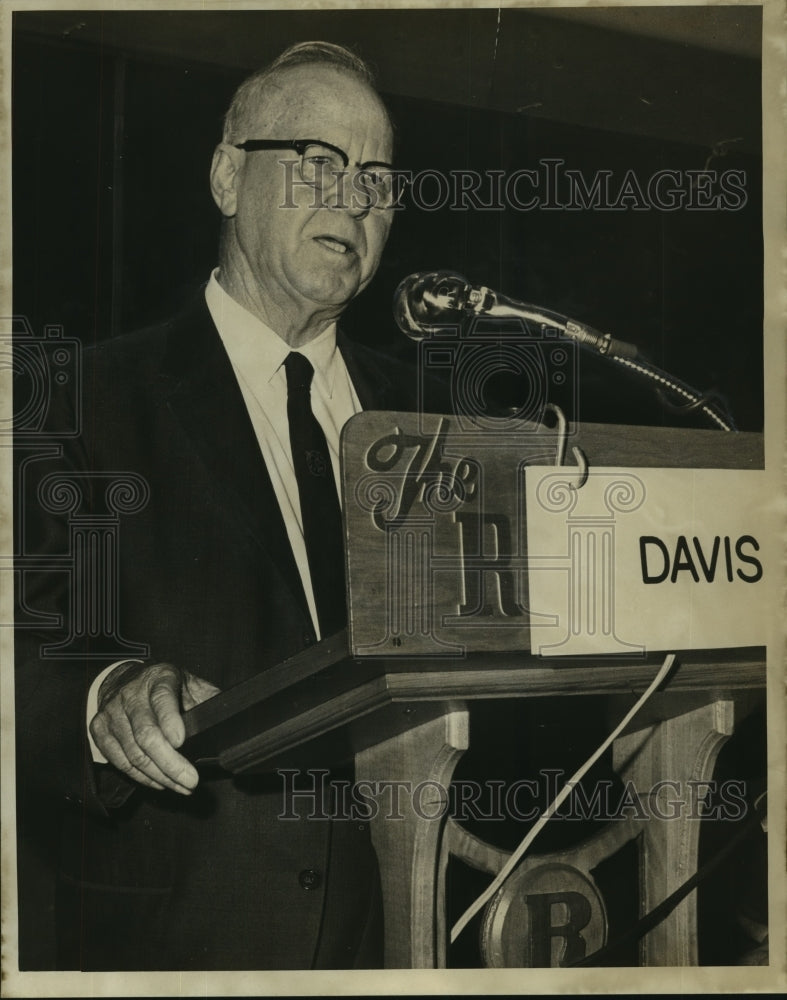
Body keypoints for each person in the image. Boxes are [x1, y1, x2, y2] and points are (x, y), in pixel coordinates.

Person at [15, 40, 427, 971]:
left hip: (409, 934)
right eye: (318, 164)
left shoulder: (428, 422)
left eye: (376, 178)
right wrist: (105, 695)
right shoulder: (81, 402)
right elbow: (21, 648)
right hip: (180, 940)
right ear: (225, 177)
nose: (353, 198)